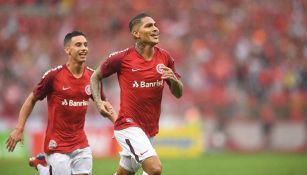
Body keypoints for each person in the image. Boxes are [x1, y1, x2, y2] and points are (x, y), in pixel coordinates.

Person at [6, 31, 115, 175]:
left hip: (80, 143)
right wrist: (19, 128)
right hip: (56, 144)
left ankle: (42, 164)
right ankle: (43, 167)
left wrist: (118, 123)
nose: (83, 48)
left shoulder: (93, 77)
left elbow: (103, 103)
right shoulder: (54, 76)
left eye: (85, 45)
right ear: (67, 50)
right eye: (78, 45)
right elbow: (31, 99)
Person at [90, 13, 183, 175]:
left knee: (124, 173)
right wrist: (99, 103)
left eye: (155, 25)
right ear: (136, 34)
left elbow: (178, 93)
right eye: (149, 26)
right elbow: (95, 76)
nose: (155, 29)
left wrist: (174, 81)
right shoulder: (122, 58)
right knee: (154, 169)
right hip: (127, 125)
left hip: (150, 129)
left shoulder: (165, 57)